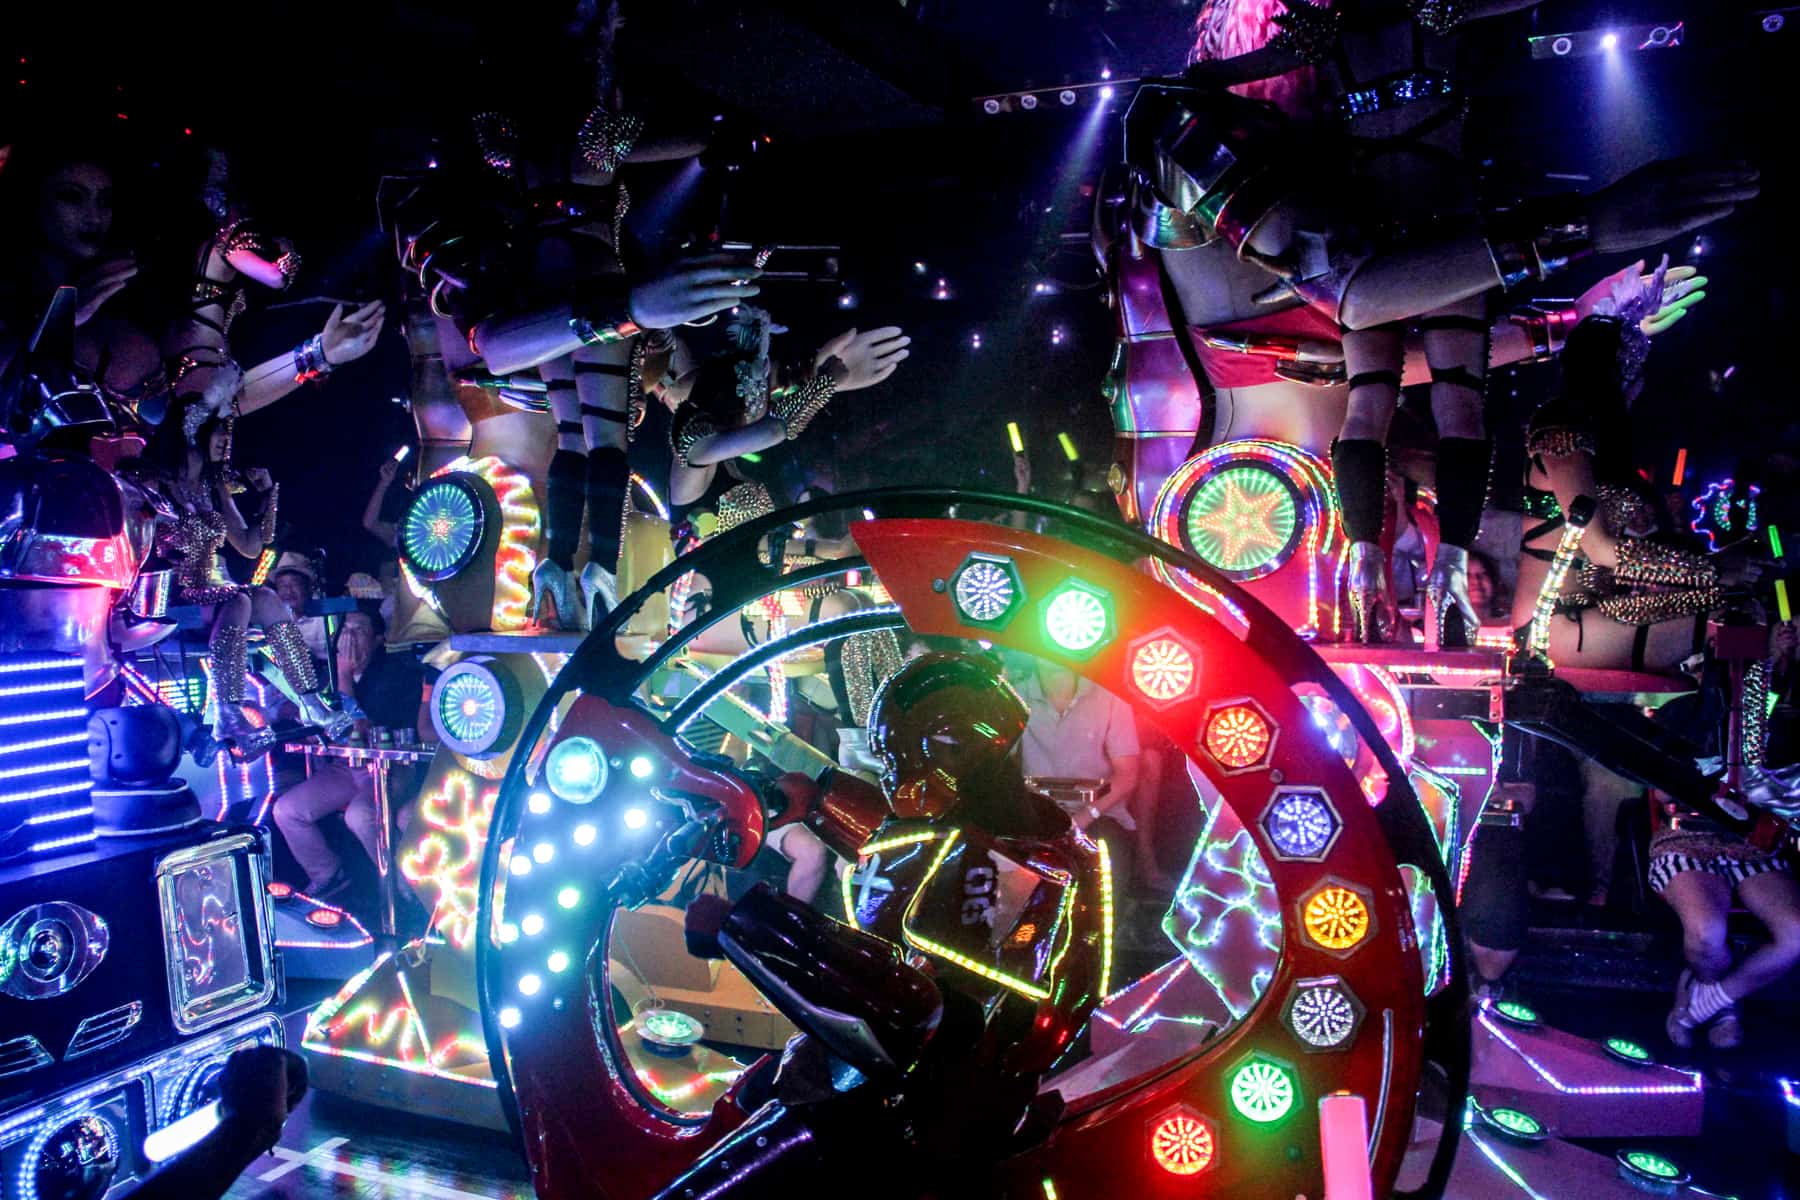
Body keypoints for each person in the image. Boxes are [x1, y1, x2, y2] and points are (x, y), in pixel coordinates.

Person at [1107, 1, 1748, 644]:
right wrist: (1584, 229)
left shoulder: (1323, 168)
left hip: (1322, 508)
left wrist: (1574, 318)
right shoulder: (1189, 127)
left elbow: (1372, 336)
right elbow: (1349, 303)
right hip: (1245, 517)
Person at [1512, 270, 1764, 673]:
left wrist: (1714, 565)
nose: (1638, 385)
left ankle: (1716, 732)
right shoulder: (1560, 426)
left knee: (1744, 604)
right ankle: (1725, 735)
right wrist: (1714, 570)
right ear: (1608, 375)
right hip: (1553, 627)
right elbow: (1598, 548)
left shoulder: (1598, 442)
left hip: (1597, 615)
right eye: (1628, 371)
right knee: (1737, 621)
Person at [132, 417, 347, 758]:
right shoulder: (153, 483)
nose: (225, 441)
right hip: (175, 588)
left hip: (219, 588)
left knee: (268, 598)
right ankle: (227, 713)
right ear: (193, 431)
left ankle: (309, 701)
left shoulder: (211, 486)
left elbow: (250, 545)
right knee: (240, 599)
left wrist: (267, 496)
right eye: (219, 432)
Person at [272, 610, 429, 898]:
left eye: (359, 630)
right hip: (346, 768)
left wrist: (344, 674)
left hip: (389, 765)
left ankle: (405, 884)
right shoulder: (327, 673)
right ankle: (327, 874)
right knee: (287, 810)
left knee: (360, 815)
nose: (349, 637)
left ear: (378, 638)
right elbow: (318, 722)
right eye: (346, 629)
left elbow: (358, 729)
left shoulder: (395, 673)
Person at [1015, 658, 1141, 887]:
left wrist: (1082, 818)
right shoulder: (1015, 694)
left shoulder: (1110, 696)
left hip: (1099, 816)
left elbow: (1127, 774)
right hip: (1036, 816)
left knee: (1105, 865)